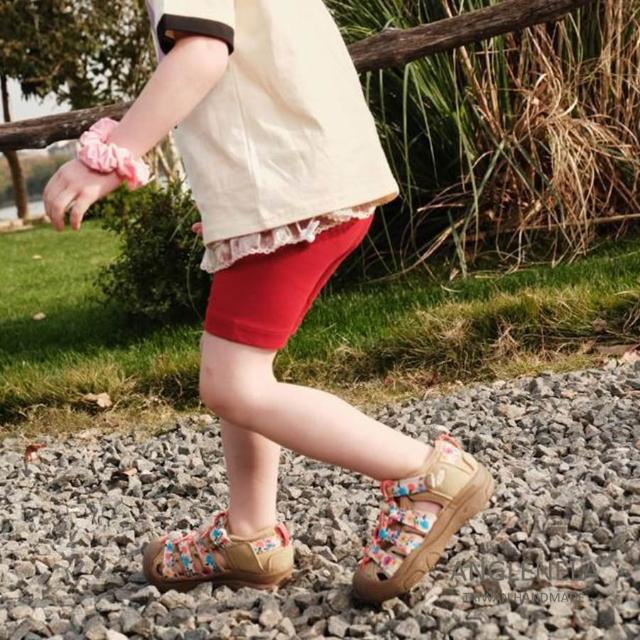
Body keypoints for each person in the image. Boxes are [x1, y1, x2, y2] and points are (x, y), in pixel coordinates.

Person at [42, 1, 494, 604]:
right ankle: (249, 535)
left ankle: (426, 473)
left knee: (231, 385)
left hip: (287, 192)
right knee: (237, 363)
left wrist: (110, 157)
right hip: (302, 179)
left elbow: (202, 54)